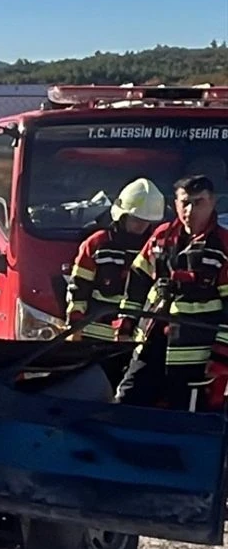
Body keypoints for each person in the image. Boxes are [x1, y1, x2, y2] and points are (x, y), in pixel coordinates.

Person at [115, 174, 228, 409]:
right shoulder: (161, 237)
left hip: (196, 359)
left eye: (199, 203)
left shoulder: (223, 246)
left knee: (187, 423)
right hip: (150, 346)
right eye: (185, 202)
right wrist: (126, 321)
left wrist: (220, 358)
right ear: (175, 204)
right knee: (125, 405)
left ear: (213, 203)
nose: (190, 210)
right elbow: (138, 279)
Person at [65, 177, 164, 343]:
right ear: (122, 215)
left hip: (134, 338)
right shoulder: (97, 243)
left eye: (146, 222)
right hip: (93, 336)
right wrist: (75, 327)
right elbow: (78, 288)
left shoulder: (155, 249)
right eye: (136, 219)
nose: (141, 226)